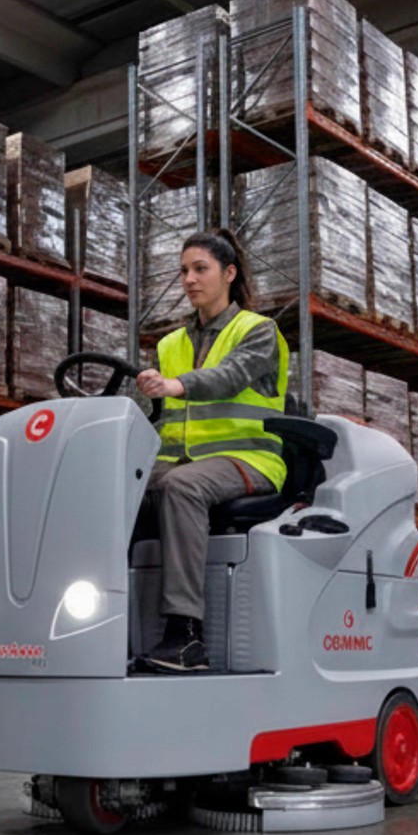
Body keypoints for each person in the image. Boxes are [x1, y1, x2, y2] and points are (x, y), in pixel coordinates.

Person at [134, 229, 289, 672]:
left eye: (200, 269)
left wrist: (177, 385)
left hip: (249, 460)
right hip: (181, 462)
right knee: (117, 489)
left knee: (182, 488)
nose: (189, 279)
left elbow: (229, 376)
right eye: (184, 271)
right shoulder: (170, 345)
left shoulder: (258, 331)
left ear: (229, 273)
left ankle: (186, 636)